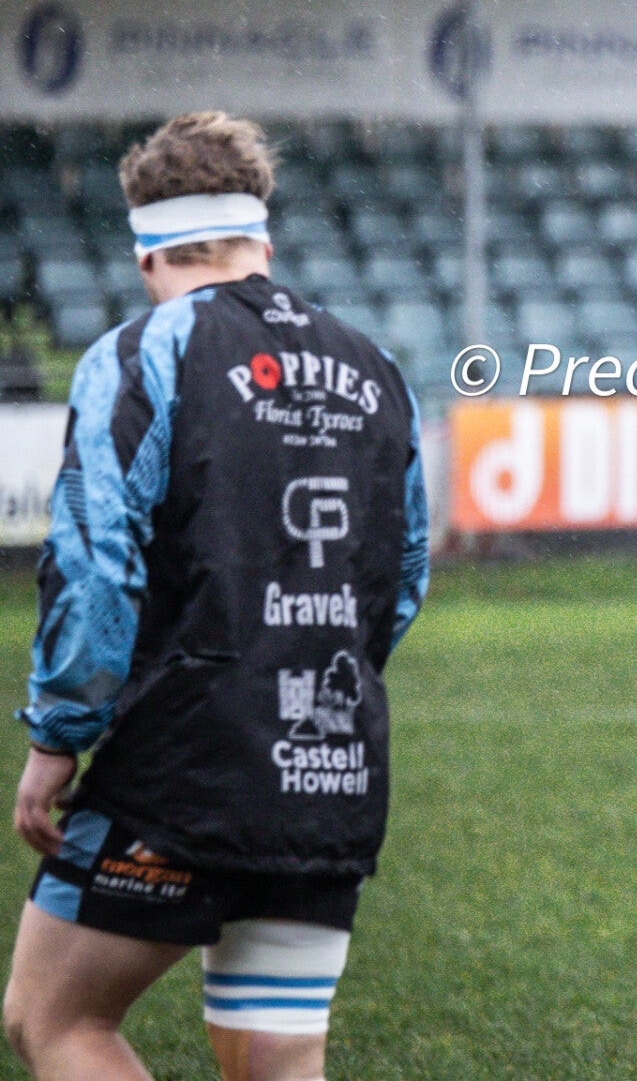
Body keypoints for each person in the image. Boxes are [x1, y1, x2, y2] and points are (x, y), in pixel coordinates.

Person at [4, 112, 431, 1081]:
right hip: (332, 760)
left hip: (184, 762)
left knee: (54, 1017)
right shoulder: (375, 366)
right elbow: (402, 577)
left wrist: (56, 736)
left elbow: (94, 561)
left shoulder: (142, 351)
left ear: (147, 249)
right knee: (275, 1060)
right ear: (261, 241)